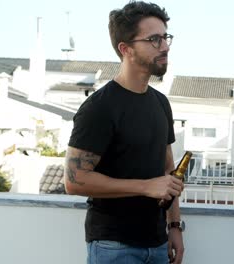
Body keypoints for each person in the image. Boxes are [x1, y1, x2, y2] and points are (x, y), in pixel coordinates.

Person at [63, 1, 184, 263]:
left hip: (158, 243)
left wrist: (174, 227)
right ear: (126, 48)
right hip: (114, 246)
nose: (164, 47)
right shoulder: (100, 107)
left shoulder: (161, 103)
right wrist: (145, 187)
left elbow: (168, 173)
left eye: (165, 37)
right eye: (154, 39)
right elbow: (74, 181)